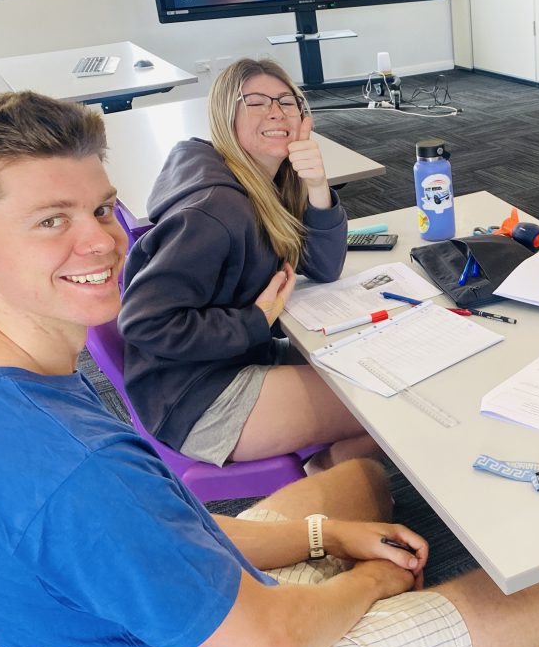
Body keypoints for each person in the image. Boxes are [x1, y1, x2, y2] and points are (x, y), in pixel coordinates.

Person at [0, 91, 539, 647]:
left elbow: (169, 528)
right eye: (50, 220)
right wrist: (371, 581)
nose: (102, 241)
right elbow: (272, 637)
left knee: (360, 485)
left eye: (101, 207)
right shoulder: (73, 470)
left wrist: (328, 538)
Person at [119, 57, 373, 467]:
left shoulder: (267, 182)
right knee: (385, 403)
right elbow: (145, 322)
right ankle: (325, 480)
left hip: (235, 357)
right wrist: (255, 320)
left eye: (286, 101)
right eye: (255, 102)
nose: (275, 111)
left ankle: (330, 476)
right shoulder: (215, 211)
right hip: (197, 397)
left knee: (376, 368)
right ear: (225, 115)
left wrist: (317, 186)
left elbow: (324, 269)